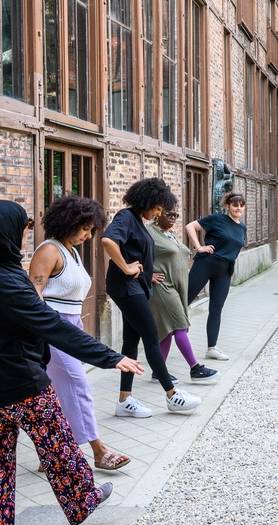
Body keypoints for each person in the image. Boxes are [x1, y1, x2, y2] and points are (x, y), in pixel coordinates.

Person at [0, 200, 144, 525]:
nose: (25, 236)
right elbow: (53, 327)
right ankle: (83, 501)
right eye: (21, 230)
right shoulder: (9, 282)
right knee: (58, 448)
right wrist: (110, 357)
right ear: (3, 233)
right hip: (21, 386)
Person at [28, 196, 130, 470]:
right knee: (78, 385)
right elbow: (33, 295)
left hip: (71, 325)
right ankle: (98, 451)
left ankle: (49, 455)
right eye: (84, 228)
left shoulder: (70, 250)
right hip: (54, 328)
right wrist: (49, 329)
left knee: (60, 393)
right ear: (67, 222)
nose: (88, 234)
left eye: (91, 229)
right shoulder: (49, 250)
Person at [102, 178, 202, 417]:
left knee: (130, 343)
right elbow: (107, 240)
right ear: (146, 201)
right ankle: (171, 394)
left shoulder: (137, 220)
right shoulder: (126, 217)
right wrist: (126, 267)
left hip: (135, 288)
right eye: (157, 207)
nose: (159, 212)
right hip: (128, 287)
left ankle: (124, 401)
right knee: (151, 335)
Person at [147, 207, 219, 384]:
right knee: (179, 325)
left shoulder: (169, 233)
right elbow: (131, 254)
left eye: (175, 215)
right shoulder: (149, 232)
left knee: (167, 330)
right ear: (157, 214)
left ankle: (158, 371)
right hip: (162, 287)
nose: (173, 218)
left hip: (177, 287)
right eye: (168, 214)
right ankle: (195, 368)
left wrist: (199, 249)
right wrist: (146, 275)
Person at [185, 192, 247, 362]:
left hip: (225, 271)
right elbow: (190, 226)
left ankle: (211, 348)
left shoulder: (242, 227)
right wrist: (199, 247)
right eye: (235, 205)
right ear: (228, 206)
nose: (238, 208)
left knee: (216, 308)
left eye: (241, 205)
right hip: (206, 264)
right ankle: (162, 337)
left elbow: (237, 245)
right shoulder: (217, 219)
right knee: (183, 302)